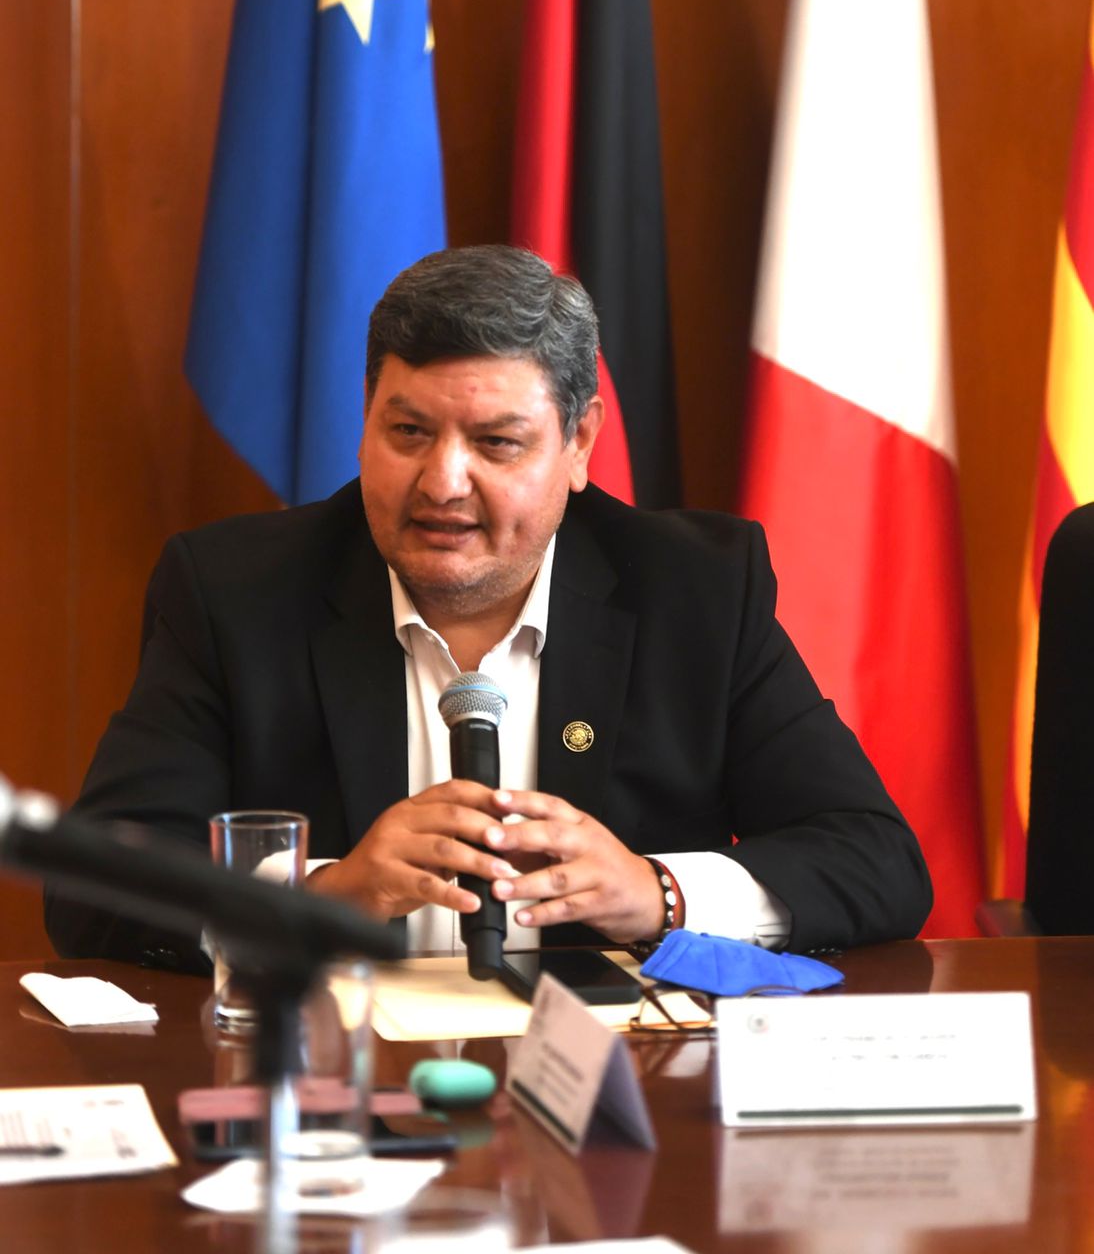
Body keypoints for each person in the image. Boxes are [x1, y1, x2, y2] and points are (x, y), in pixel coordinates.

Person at [45, 246, 931, 971]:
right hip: (337, 1076)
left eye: (497, 443)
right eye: (408, 432)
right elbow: (93, 886)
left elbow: (875, 859)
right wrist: (327, 893)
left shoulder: (694, 591)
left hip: (616, 1089)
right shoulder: (235, 592)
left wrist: (656, 891)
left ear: (579, 444)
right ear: (365, 419)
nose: (442, 483)